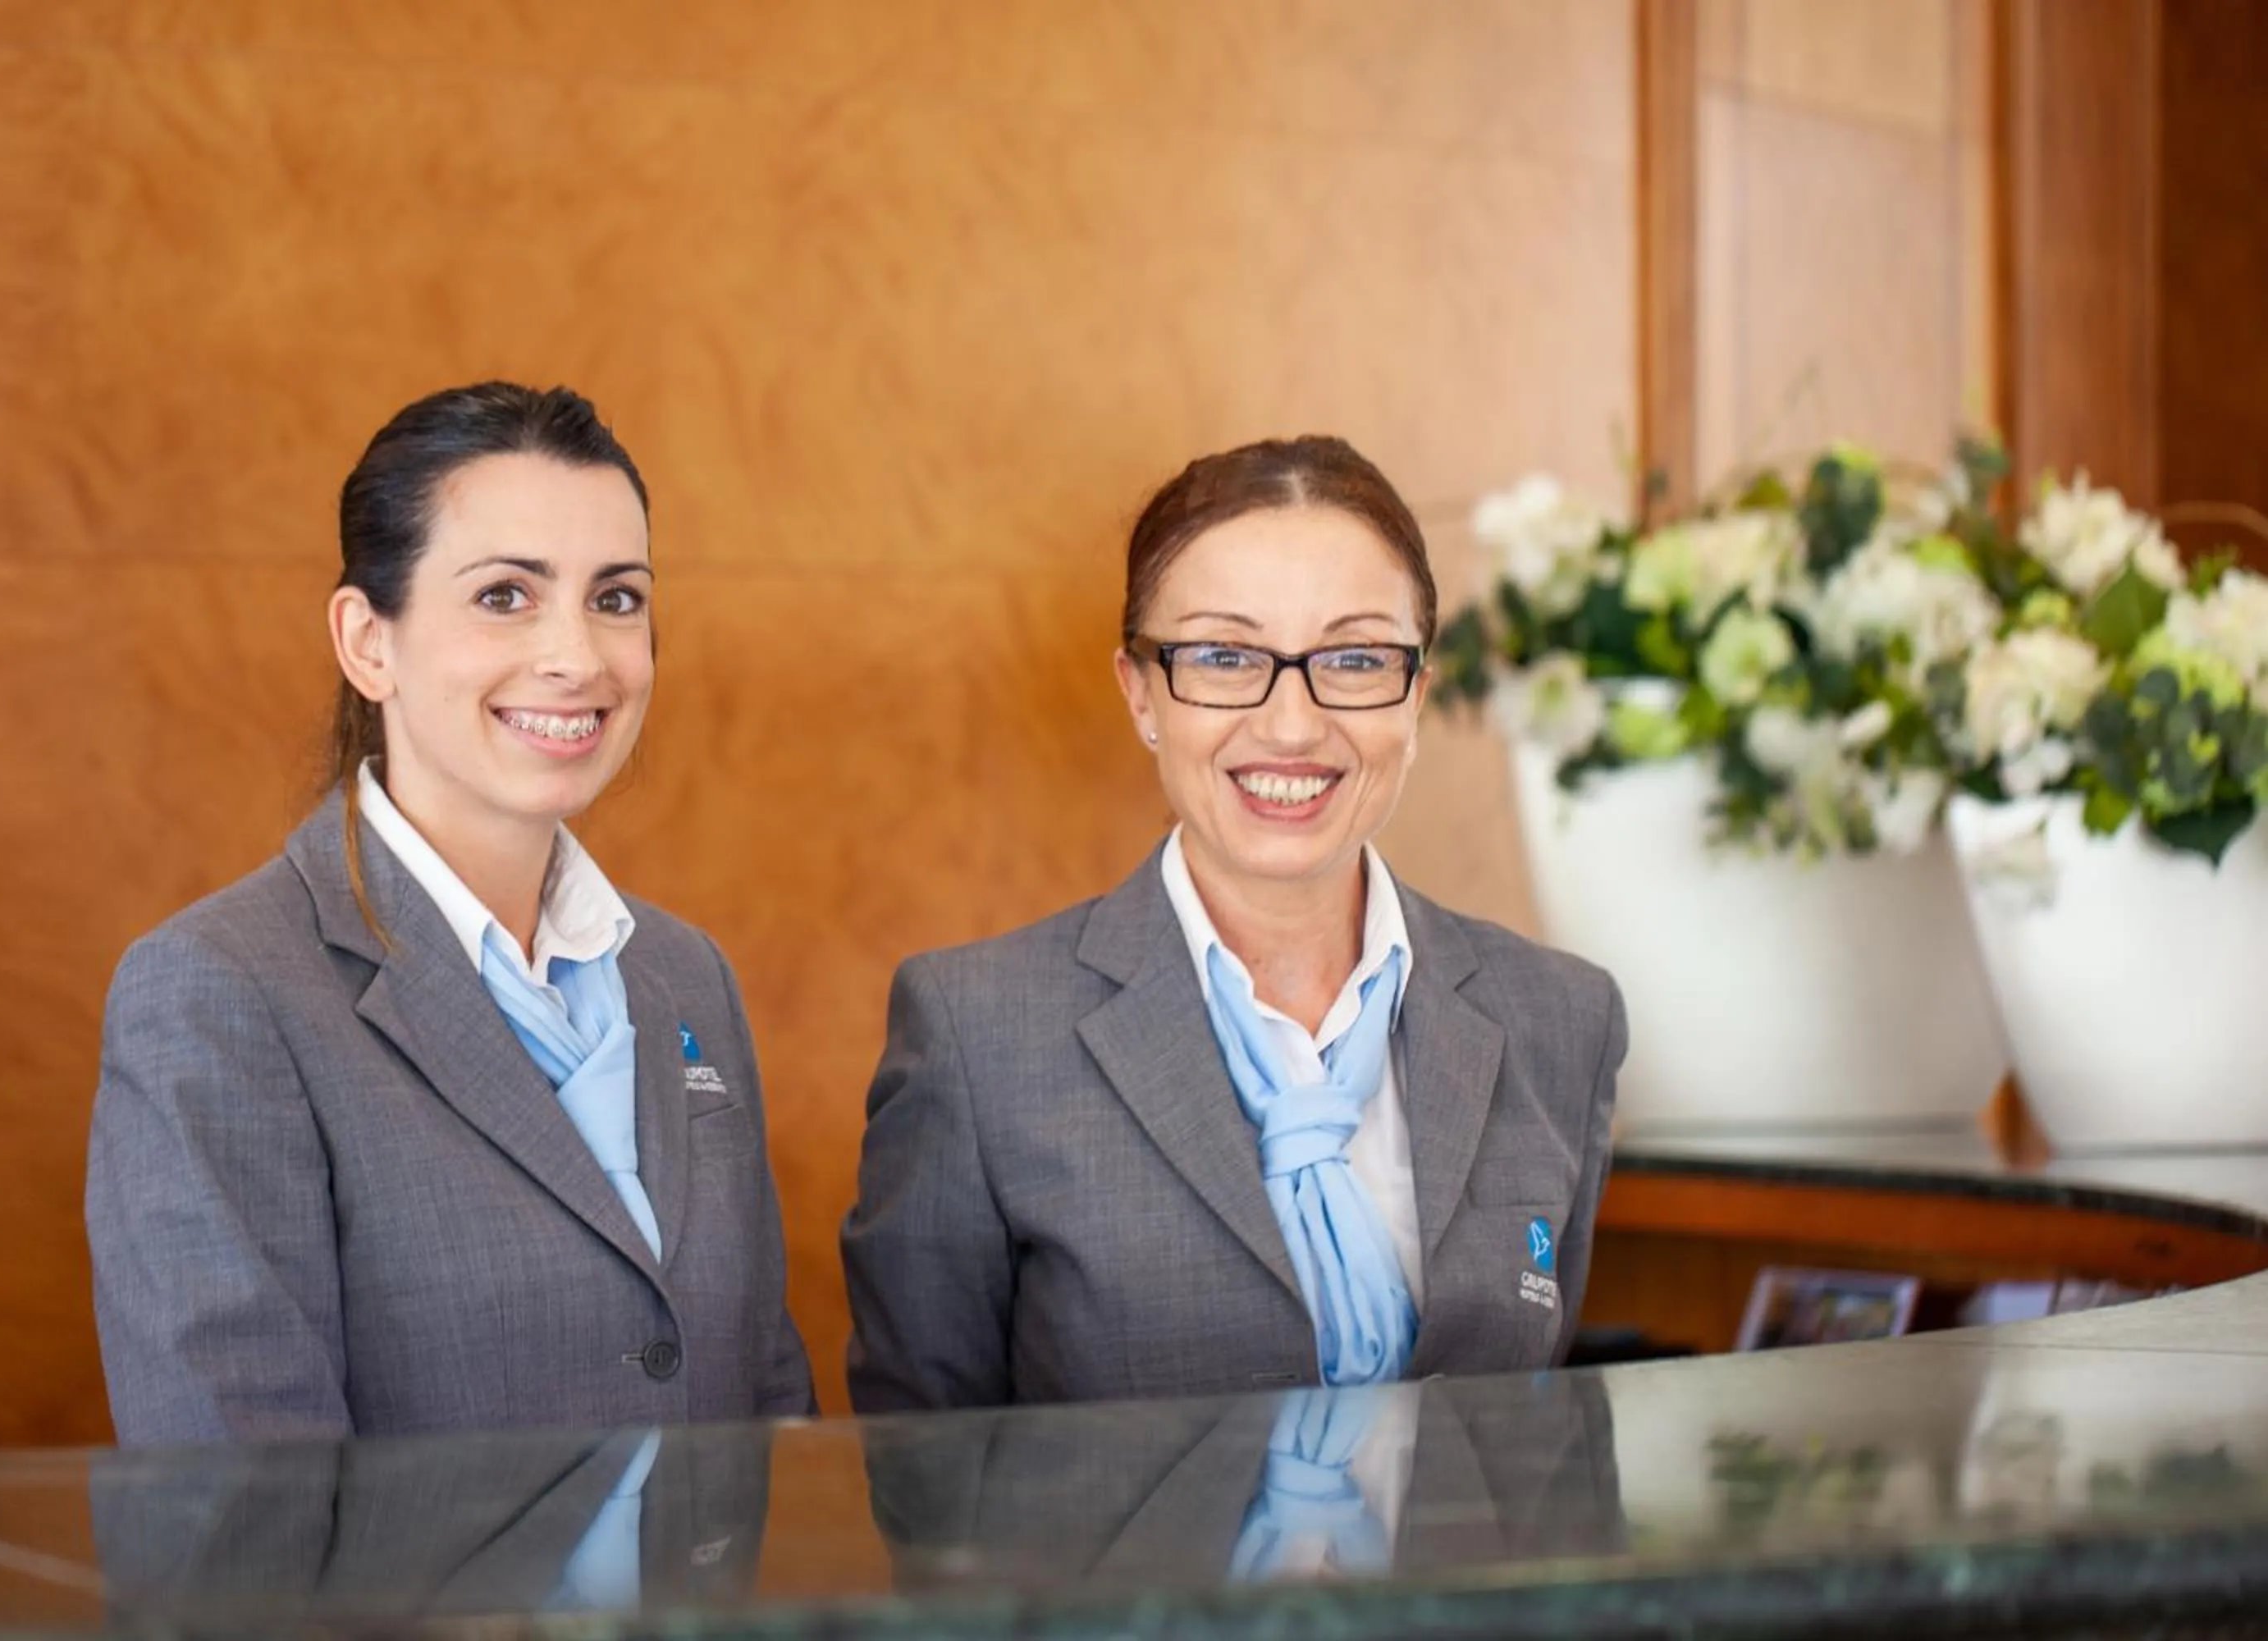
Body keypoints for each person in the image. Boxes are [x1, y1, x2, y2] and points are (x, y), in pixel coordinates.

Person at [88, 382, 812, 1443]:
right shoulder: (220, 993)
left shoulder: (685, 973)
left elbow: (766, 1405)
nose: (576, 657)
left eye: (616, 598)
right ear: (366, 641)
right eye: (505, 596)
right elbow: (242, 1519)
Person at [842, 435, 1626, 1412]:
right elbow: (922, 1483)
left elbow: (1539, 1456)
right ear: (1141, 693)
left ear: (1417, 694)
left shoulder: (1560, 1019)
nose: (1293, 723)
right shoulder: (979, 1034)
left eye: (1353, 658)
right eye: (1222, 656)